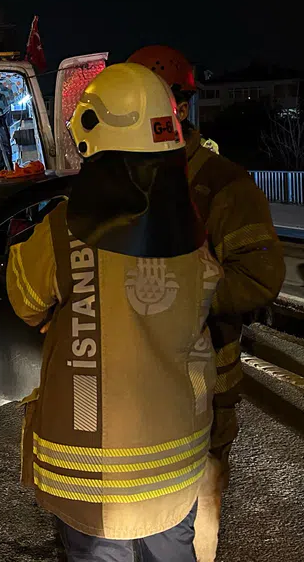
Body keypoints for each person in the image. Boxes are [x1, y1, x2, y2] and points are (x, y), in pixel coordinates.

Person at [6, 63, 222, 561]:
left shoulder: (64, 231)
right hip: (178, 458)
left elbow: (25, 300)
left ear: (92, 135)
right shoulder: (193, 230)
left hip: (95, 472)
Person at [128, 45, 285, 561]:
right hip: (133, 385)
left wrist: (184, 296)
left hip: (203, 385)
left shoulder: (222, 184)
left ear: (179, 105)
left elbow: (260, 278)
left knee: (197, 507)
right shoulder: (122, 182)